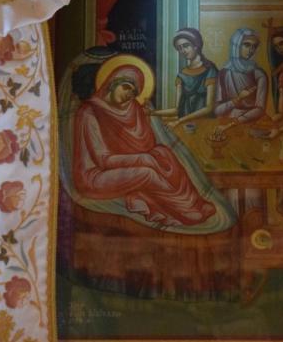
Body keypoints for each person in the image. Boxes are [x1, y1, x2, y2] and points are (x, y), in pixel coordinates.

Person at [72, 64, 216, 227]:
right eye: (126, 87)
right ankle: (184, 210)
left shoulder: (128, 108)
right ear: (112, 83)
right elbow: (103, 160)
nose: (128, 95)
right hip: (94, 176)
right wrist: (144, 158)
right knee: (147, 173)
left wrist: (143, 119)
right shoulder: (89, 112)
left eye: (133, 93)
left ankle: (194, 202)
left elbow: (146, 145)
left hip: (116, 167)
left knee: (163, 153)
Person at [152, 27, 218, 129]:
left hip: (205, 124)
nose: (183, 50)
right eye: (179, 48)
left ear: (196, 45)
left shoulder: (210, 70)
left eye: (186, 46)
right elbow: (177, 109)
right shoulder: (182, 75)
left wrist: (179, 121)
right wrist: (152, 112)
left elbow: (209, 108)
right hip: (185, 125)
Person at [215, 27, 267, 126]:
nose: (251, 50)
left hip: (252, 121)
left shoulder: (259, 74)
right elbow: (217, 110)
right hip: (227, 119)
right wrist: (238, 99)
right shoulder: (223, 73)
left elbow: (260, 109)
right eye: (247, 45)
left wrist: (235, 122)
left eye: (254, 46)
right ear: (236, 45)